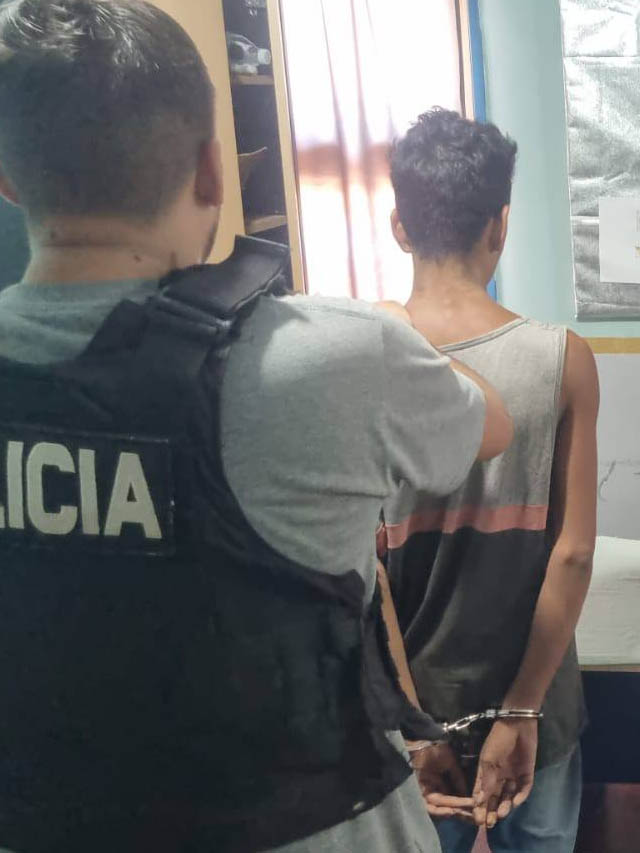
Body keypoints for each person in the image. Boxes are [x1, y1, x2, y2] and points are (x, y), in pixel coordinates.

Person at [0, 4, 513, 852]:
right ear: (212, 170)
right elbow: (487, 425)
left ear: (11, 178)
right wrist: (388, 335)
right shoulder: (334, 354)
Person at [381, 108, 599, 853]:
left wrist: (414, 727)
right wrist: (522, 710)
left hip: (414, 717)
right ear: (499, 226)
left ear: (400, 227)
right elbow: (573, 554)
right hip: (537, 706)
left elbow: (362, 576)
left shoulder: (361, 362)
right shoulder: (563, 359)